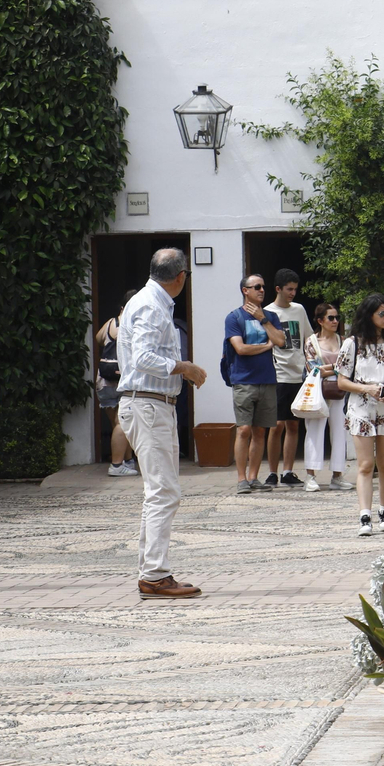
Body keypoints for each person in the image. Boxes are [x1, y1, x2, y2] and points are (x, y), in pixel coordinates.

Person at [116, 249, 208, 599]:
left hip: (154, 404)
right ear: (181, 276)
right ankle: (154, 575)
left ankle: (153, 571)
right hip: (147, 404)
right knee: (163, 492)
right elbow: (143, 358)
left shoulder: (152, 301)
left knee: (160, 492)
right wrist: (184, 367)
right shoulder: (151, 305)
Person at [338, 294, 384, 536]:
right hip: (361, 406)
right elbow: (341, 382)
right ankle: (365, 516)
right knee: (366, 464)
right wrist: (366, 389)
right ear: (369, 316)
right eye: (382, 313)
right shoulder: (352, 344)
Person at [225, 275, 286, 494]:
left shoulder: (271, 317)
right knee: (244, 430)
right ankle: (241, 479)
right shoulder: (234, 317)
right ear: (245, 290)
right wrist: (266, 346)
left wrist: (263, 319)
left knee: (260, 431)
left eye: (263, 286)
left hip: (267, 380)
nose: (262, 290)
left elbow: (280, 341)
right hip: (244, 381)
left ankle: (253, 477)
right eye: (257, 287)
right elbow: (240, 349)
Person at [264, 268, 314, 489]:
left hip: (298, 373)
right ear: (278, 289)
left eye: (295, 289)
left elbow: (309, 338)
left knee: (294, 425)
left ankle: (288, 471)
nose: (293, 293)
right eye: (289, 289)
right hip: (277, 374)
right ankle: (272, 472)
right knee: (276, 425)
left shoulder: (299, 310)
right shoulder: (267, 312)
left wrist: (311, 365)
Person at [301, 301, 349, 492]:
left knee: (339, 431)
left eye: (337, 317)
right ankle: (310, 476)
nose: (335, 321)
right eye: (331, 318)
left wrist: (328, 369)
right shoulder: (311, 342)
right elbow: (312, 369)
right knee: (314, 430)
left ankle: (338, 475)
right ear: (320, 320)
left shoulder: (343, 341)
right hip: (317, 390)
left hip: (339, 390)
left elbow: (348, 367)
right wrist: (336, 368)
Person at [95, 291, 139, 477]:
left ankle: (127, 461)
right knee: (123, 423)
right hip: (122, 381)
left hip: (104, 382)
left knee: (118, 424)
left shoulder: (110, 323)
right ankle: (117, 465)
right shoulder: (133, 326)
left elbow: (98, 339)